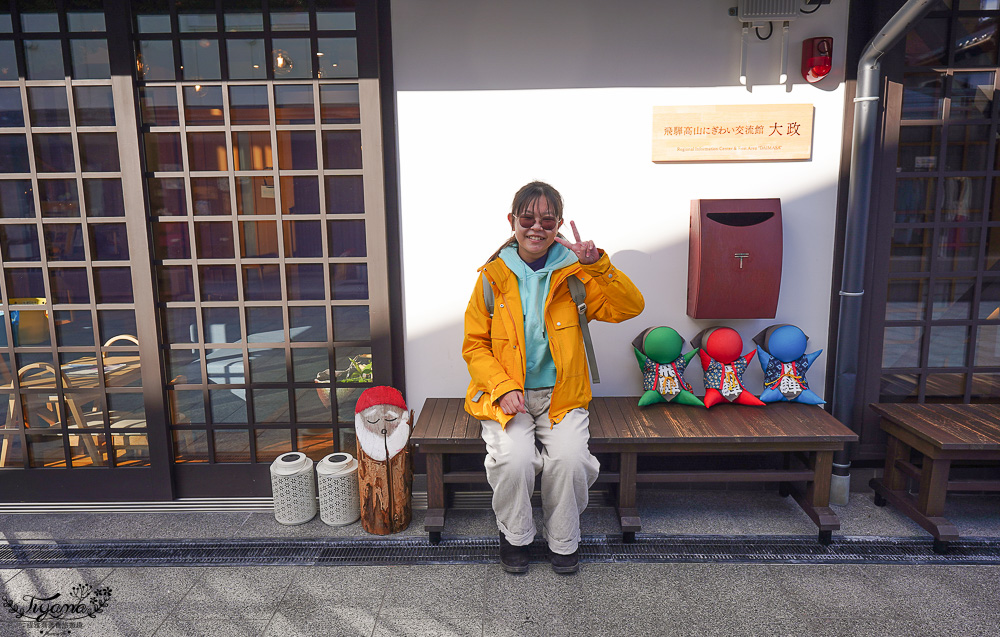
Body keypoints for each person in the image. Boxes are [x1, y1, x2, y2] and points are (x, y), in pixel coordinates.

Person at [462, 181, 645, 574]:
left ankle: (563, 539)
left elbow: (630, 307)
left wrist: (599, 265)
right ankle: (515, 536)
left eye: (547, 219)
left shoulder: (576, 274)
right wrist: (502, 386)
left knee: (570, 459)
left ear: (559, 223)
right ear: (512, 221)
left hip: (561, 395)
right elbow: (475, 345)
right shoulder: (492, 277)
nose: (536, 227)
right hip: (508, 396)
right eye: (527, 218)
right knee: (514, 459)